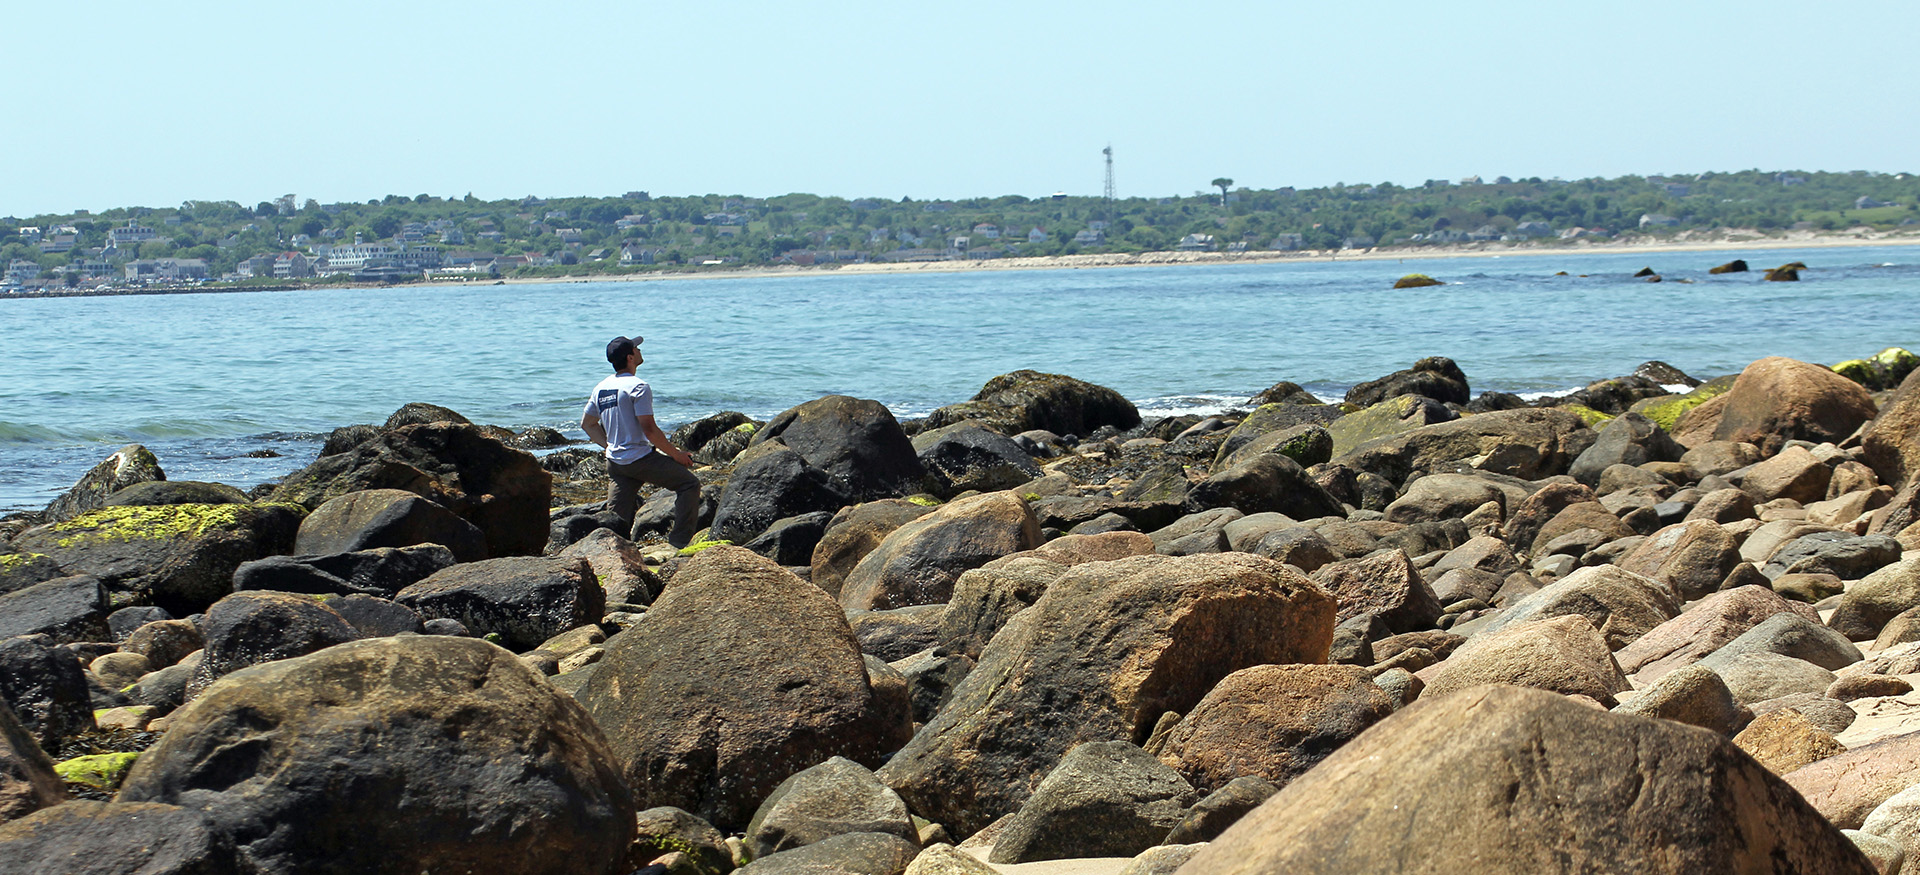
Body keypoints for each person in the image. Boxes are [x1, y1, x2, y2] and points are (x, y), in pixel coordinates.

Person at [580, 335, 700, 548]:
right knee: (689, 484)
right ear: (630, 357)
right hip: (640, 460)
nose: (639, 350)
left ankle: (612, 553)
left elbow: (587, 424)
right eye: (636, 348)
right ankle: (679, 542)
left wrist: (609, 445)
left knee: (616, 519)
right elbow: (649, 429)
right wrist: (677, 455)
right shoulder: (638, 386)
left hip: (616, 463)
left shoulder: (601, 387)